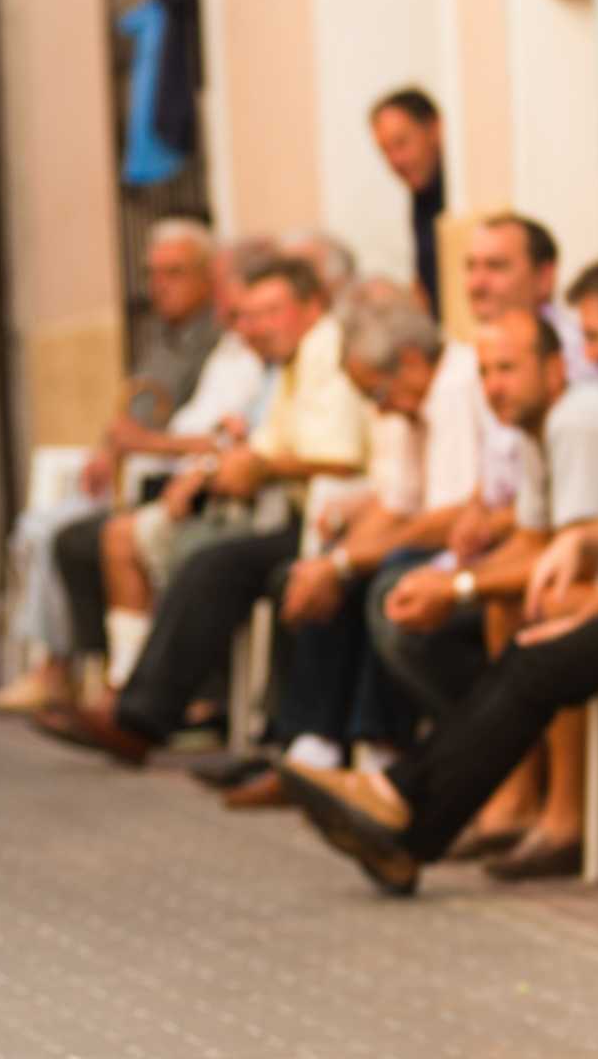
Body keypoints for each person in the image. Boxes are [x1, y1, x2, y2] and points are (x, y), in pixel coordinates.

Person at [281, 263, 598, 894]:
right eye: (485, 373)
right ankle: (409, 816)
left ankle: (407, 806)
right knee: (528, 640)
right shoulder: (563, 419)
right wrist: (571, 545)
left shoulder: (580, 416)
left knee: (542, 643)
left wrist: (479, 589)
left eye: (594, 336)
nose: (588, 353)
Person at [46, 258, 368, 763]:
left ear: (311, 308)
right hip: (289, 512)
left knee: (211, 565)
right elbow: (266, 444)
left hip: (331, 520)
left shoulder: (327, 349)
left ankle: (145, 717)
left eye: (272, 313)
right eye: (251, 315)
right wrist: (216, 468)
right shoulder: (292, 362)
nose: (257, 328)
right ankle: (135, 705)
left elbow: (340, 456)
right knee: (162, 547)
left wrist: (255, 468)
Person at [223, 282, 491, 808]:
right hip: (442, 541)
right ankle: (314, 746)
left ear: (410, 361)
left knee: (386, 581)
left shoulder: (455, 391)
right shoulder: (413, 401)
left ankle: (382, 753)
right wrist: (331, 564)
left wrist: (345, 562)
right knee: (329, 574)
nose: (379, 407)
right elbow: (398, 504)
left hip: (469, 550)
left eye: (377, 393)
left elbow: (450, 516)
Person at [0, 219, 236, 713]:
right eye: (154, 274)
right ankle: (83, 673)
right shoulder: (163, 337)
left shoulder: (218, 342)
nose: (159, 285)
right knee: (51, 532)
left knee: (100, 539)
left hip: (185, 484)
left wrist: (146, 443)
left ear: (210, 279)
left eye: (174, 273)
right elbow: (137, 412)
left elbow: (210, 433)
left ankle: (129, 687)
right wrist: (111, 449)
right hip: (155, 477)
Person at [370, 87, 445, 318]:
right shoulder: (419, 196)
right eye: (385, 151)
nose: (396, 161)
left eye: (401, 143)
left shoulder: (460, 189)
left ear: (434, 129)